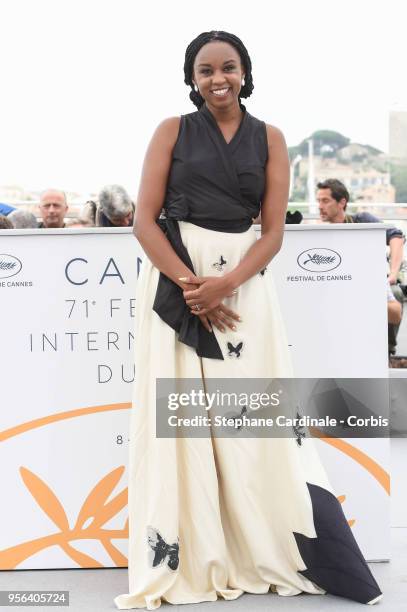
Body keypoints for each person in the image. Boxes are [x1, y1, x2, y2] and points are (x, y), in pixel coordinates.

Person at [114, 31, 382, 609]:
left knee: (253, 419)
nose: (217, 78)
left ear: (244, 72)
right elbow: (144, 222)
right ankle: (196, 552)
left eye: (228, 67)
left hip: (245, 288)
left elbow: (274, 230)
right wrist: (194, 289)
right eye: (205, 69)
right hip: (176, 283)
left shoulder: (273, 138)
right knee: (179, 420)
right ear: (191, 77)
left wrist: (226, 286)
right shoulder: (171, 131)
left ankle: (260, 543)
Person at [317, 178, 405, 353]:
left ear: (342, 202)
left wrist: (393, 273)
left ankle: (386, 349)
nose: (320, 206)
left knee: (394, 292)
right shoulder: (318, 233)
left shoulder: (361, 221)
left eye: (325, 201)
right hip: (336, 284)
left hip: (368, 283)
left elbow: (396, 237)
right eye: (318, 201)